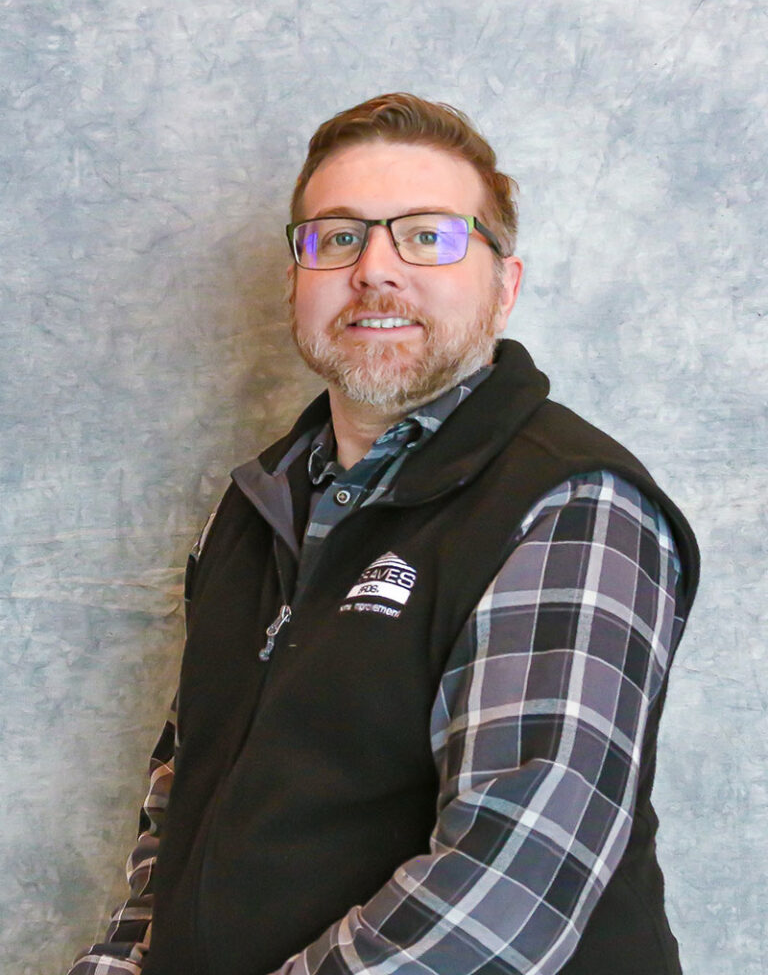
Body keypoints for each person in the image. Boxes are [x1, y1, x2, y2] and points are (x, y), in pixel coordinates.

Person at [69, 93, 699, 975]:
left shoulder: (570, 504)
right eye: (338, 237)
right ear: (296, 278)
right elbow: (176, 824)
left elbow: (508, 890)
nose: (375, 270)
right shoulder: (253, 507)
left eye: (428, 236)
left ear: (503, 285)